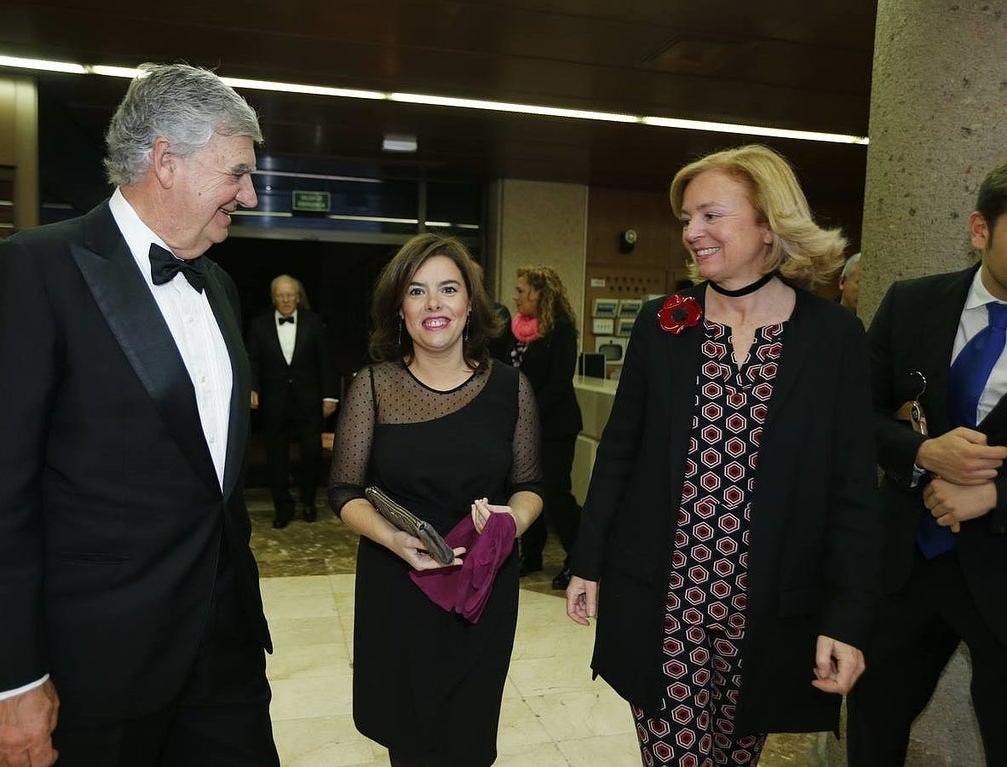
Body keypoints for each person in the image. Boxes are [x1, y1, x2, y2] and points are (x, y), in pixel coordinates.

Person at [0, 63, 279, 767]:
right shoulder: (32, 272)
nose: (249, 193)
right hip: (95, 671)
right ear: (165, 160)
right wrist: (8, 680)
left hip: (224, 657)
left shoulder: (215, 285)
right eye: (238, 172)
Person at [565, 144, 881, 767]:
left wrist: (846, 617)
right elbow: (620, 453)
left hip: (769, 606)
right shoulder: (665, 322)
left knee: (736, 756)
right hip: (665, 595)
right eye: (687, 218)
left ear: (768, 224)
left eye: (711, 215)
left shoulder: (831, 336)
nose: (691, 233)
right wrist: (588, 561)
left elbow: (852, 488)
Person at [327, 233, 544, 767]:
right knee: (412, 740)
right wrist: (394, 538)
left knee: (468, 739)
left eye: (448, 289)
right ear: (399, 308)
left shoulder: (511, 388)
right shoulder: (372, 386)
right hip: (398, 584)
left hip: (482, 590)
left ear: (471, 304)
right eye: (417, 292)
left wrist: (508, 523)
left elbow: (531, 485)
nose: (434, 305)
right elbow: (345, 490)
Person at [848, 159, 1007, 765]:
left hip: (1002, 573)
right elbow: (852, 415)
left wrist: (996, 494)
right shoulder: (912, 305)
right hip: (904, 567)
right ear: (979, 229)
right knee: (873, 718)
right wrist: (920, 451)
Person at [502, 264, 583, 589]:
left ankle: (578, 558)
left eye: (522, 290)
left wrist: (528, 417)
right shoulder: (517, 328)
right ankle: (531, 554)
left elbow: (558, 383)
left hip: (554, 426)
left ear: (540, 293)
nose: (515, 296)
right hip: (522, 426)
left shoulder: (561, 329)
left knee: (554, 493)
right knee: (524, 491)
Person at [247, 274, 338, 527]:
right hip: (274, 402)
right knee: (276, 457)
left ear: (298, 297)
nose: (285, 299)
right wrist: (251, 387)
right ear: (273, 297)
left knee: (311, 454)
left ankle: (308, 502)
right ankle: (282, 507)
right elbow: (252, 360)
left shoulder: (315, 322)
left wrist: (330, 396)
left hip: (309, 401)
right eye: (280, 294)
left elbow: (326, 363)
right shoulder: (258, 325)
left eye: (290, 294)